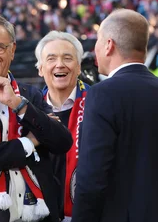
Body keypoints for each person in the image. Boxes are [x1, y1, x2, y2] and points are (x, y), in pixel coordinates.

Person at [72, 8, 158, 222]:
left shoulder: (103, 94)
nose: (95, 48)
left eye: (98, 39)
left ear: (109, 45)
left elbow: (91, 180)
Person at [0, 14, 73, 222]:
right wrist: (28, 143)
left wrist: (18, 104)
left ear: (12, 50)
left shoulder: (28, 95)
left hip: (40, 215)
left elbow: (61, 141)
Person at [34, 30, 90, 222]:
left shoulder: (98, 104)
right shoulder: (29, 111)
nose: (60, 64)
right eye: (51, 59)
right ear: (40, 68)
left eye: (68, 58)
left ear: (79, 66)